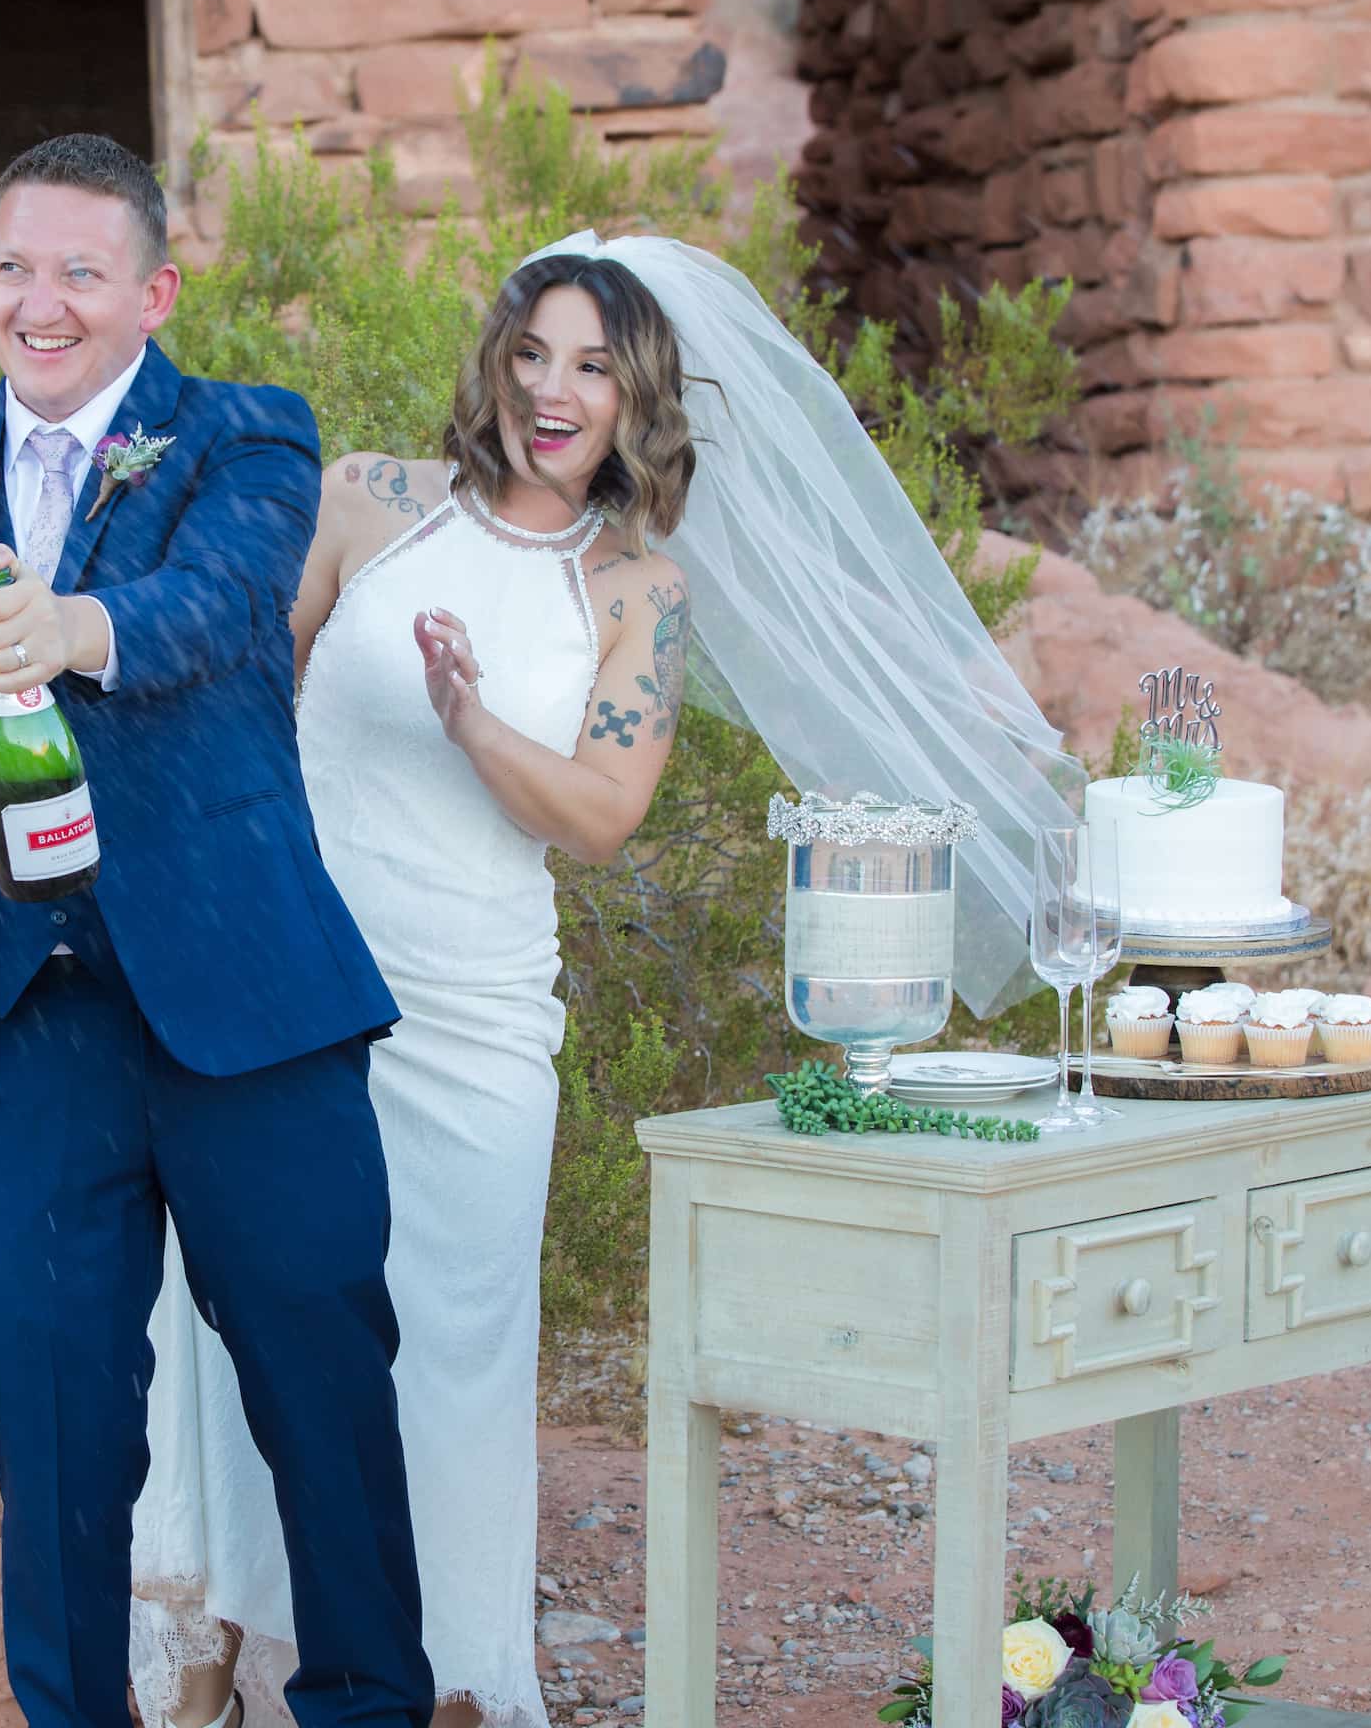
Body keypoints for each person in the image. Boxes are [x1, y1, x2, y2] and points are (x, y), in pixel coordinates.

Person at [132, 235, 1077, 1728]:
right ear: (493, 366)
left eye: (591, 365)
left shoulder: (637, 589)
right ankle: (236, 1651)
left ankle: (439, 1679)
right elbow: (244, 713)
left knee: (451, 1348)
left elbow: (599, 811)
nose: (551, 391)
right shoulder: (367, 504)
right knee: (249, 1312)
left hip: (477, 1018)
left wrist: (471, 722)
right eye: (530, 354)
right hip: (292, 992)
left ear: (636, 400)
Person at [0, 134, 432, 1728]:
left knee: (322, 1396)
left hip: (247, 1009)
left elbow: (226, 603)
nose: (38, 303)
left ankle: (370, 1709)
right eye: (11, 268)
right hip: (17, 1030)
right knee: (54, 1439)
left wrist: (78, 628)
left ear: (151, 293)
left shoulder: (246, 439)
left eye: (79, 272)